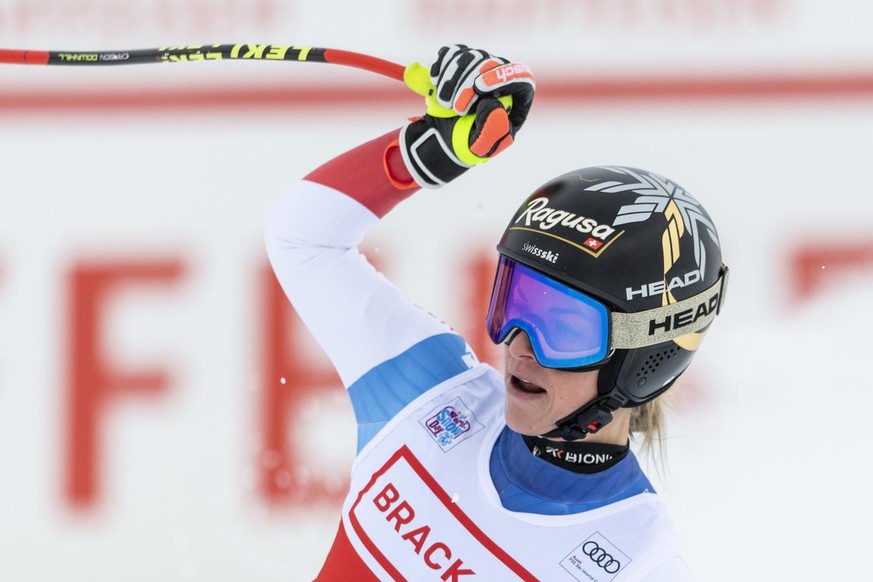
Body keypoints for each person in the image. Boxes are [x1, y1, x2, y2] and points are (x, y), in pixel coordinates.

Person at [265, 45, 729, 582]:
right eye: (517, 302)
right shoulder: (429, 394)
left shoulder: (640, 564)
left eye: (564, 327)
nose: (520, 346)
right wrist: (427, 153)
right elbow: (302, 238)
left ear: (644, 358)